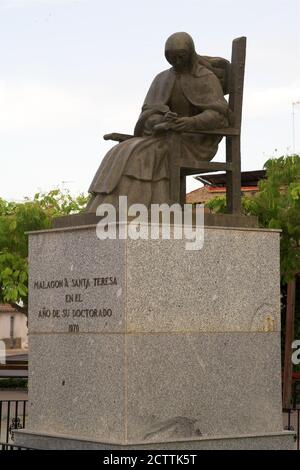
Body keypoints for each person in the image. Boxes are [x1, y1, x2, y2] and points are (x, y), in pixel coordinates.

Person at [86, 32, 229, 212]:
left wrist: (188, 122)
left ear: (191, 54)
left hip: (195, 142)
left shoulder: (206, 77)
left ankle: (146, 207)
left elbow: (218, 115)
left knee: (143, 152)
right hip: (165, 136)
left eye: (180, 57)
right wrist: (161, 120)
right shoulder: (162, 78)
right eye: (171, 57)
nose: (176, 61)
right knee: (122, 149)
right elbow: (148, 113)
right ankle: (106, 207)